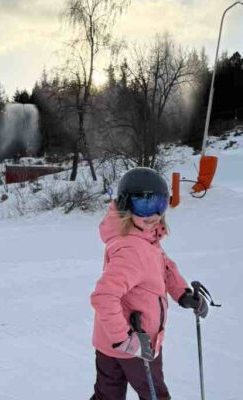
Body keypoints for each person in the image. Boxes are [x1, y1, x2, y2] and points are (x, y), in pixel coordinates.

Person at [90, 167, 209, 400]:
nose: (153, 213)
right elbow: (104, 297)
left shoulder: (143, 237)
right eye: (144, 204)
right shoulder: (132, 248)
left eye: (159, 204)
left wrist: (182, 293)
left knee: (107, 396)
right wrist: (124, 339)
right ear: (126, 205)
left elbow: (164, 266)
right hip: (137, 344)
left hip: (107, 341)